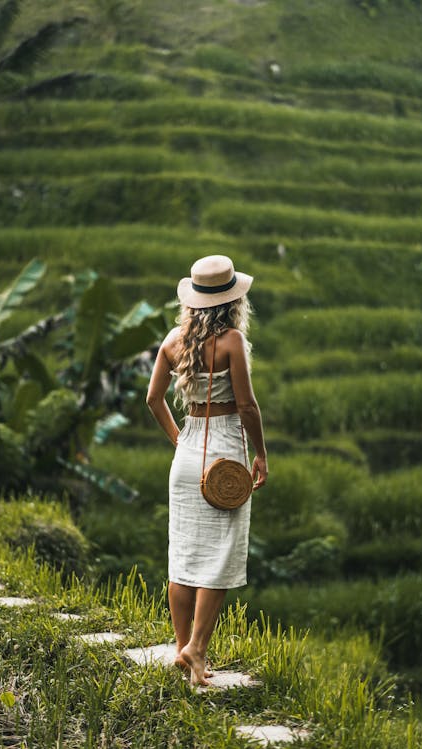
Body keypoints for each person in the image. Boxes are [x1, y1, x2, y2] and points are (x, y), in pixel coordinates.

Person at [146, 254, 268, 686]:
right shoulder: (232, 340)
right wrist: (261, 454)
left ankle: (188, 655)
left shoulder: (172, 340)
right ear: (233, 301)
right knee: (218, 555)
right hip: (224, 450)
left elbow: (153, 399)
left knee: (183, 558)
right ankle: (196, 648)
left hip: (187, 453)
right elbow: (248, 406)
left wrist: (180, 438)